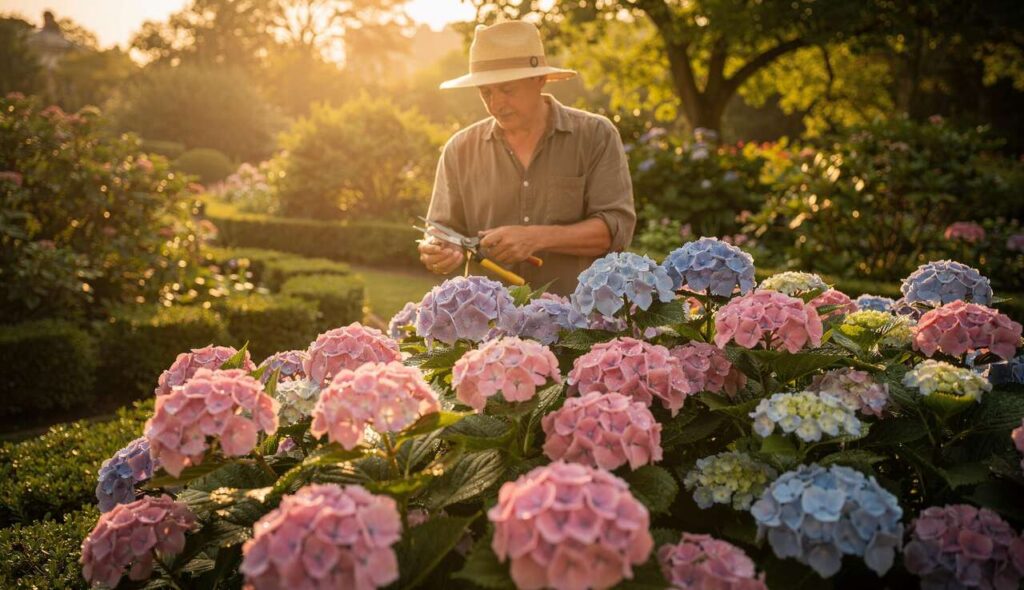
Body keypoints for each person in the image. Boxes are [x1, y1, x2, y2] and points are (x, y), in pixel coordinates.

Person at [418, 20, 636, 296]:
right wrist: (438, 251)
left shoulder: (595, 135)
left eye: (507, 90)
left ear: (540, 80)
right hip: (489, 329)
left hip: (578, 325)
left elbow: (615, 232)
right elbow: (439, 231)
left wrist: (535, 237)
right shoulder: (459, 149)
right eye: (486, 92)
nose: (496, 103)